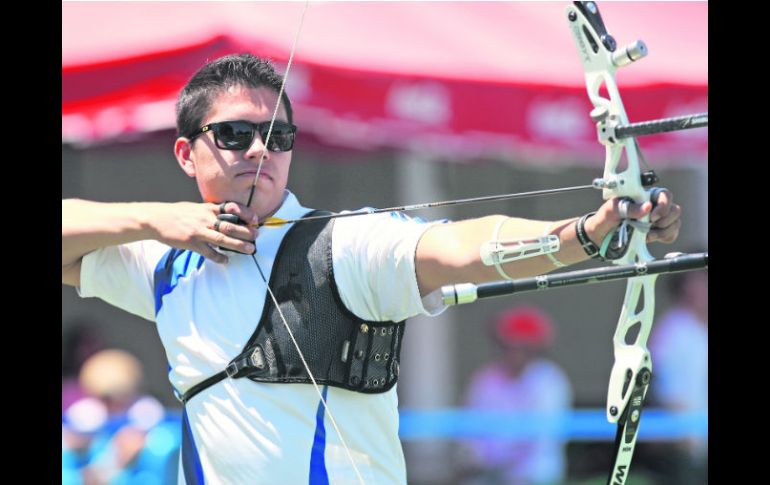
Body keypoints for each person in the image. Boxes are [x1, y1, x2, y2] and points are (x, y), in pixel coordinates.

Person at [61, 53, 682, 484]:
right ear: (185, 153)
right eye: (234, 133)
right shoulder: (165, 263)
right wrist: (153, 220)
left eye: (277, 136)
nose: (260, 150)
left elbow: (458, 247)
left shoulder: (344, 246)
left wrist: (586, 235)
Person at [462, 306, 572, 485]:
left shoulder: (549, 380)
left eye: (522, 346)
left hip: (534, 474)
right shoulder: (485, 379)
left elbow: (543, 436)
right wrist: (476, 460)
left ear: (535, 348)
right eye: (508, 345)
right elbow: (471, 430)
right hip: (487, 474)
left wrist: (504, 460)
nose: (514, 353)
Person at [644, 270, 708, 485]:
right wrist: (687, 438)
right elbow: (668, 391)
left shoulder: (700, 330)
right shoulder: (673, 330)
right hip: (679, 447)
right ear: (687, 288)